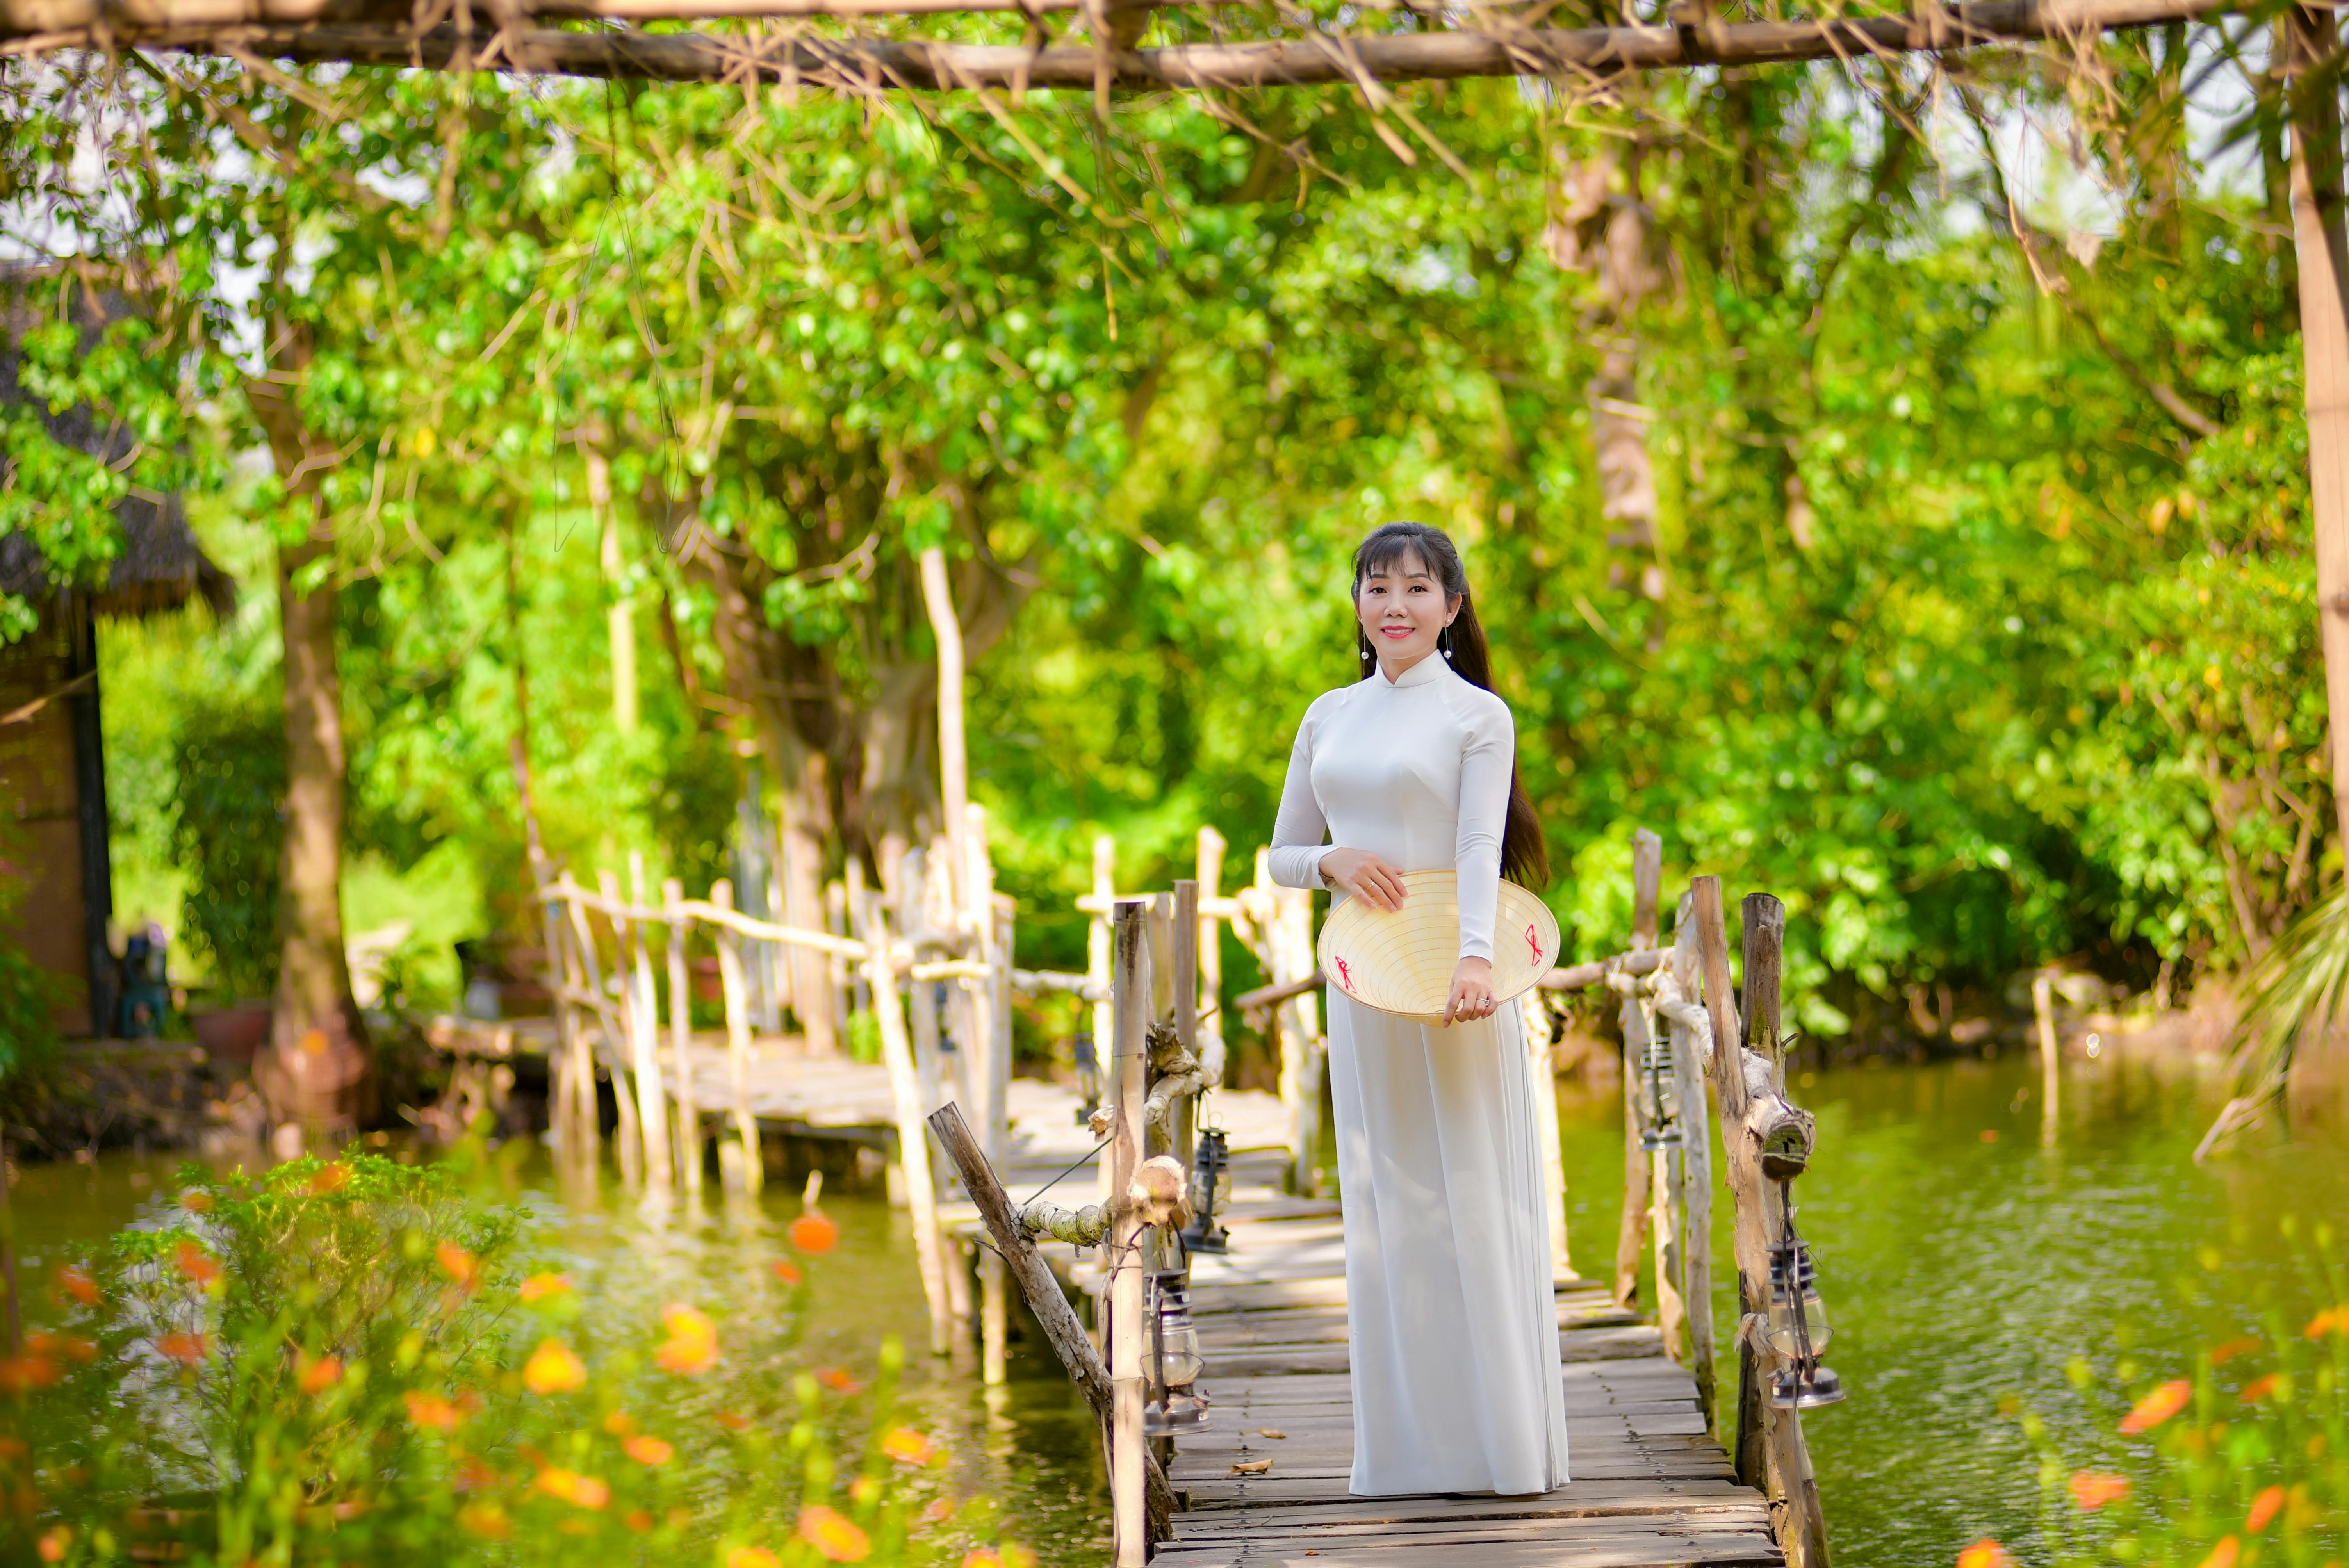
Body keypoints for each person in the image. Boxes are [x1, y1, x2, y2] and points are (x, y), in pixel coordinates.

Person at [1267, 520, 1570, 1498]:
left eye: (1413, 589)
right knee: (1385, 1197)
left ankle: (1500, 1448)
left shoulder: (1476, 715)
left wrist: (1478, 961)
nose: (1392, 606)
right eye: (1374, 587)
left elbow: (1479, 840)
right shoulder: (1327, 714)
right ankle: (1402, 1454)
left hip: (1454, 975)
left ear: (1450, 606)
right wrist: (1331, 861)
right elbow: (1279, 855)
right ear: (1356, 604)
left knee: (1468, 1188)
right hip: (1362, 977)